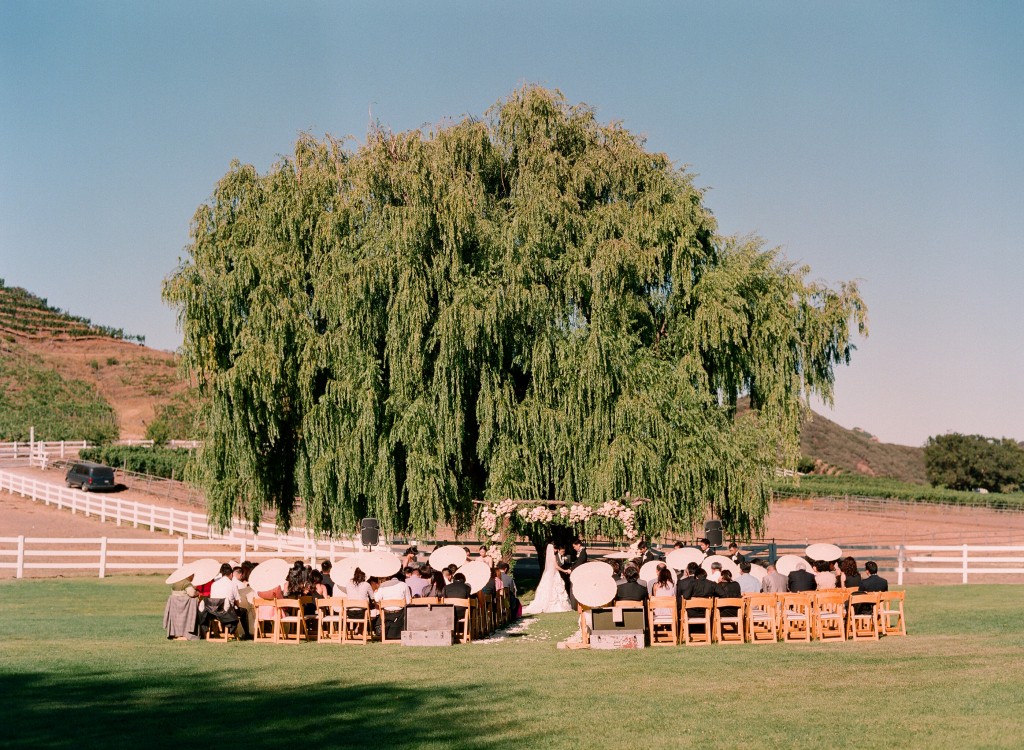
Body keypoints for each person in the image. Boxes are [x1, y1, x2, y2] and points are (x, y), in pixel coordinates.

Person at [523, 544, 572, 614]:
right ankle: (554, 606)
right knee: (554, 589)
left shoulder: (548, 557)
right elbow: (556, 566)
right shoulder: (554, 556)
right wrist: (565, 571)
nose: (555, 551)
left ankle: (544, 603)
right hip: (554, 574)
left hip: (548, 574)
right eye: (555, 549)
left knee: (547, 588)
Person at [375, 572, 411, 639]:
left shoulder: (383, 585)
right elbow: (408, 602)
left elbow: (377, 599)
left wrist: (376, 592)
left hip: (385, 613)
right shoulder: (404, 585)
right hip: (399, 614)